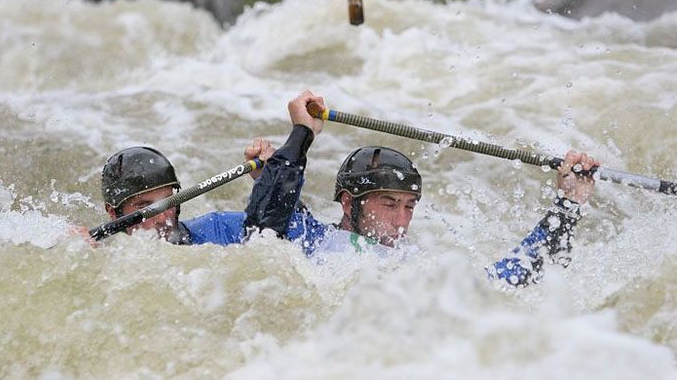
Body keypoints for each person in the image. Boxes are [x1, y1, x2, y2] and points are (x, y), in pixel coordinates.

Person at [244, 91, 599, 287]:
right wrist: (297, 141)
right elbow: (266, 228)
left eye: (409, 206)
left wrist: (569, 204)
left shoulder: (419, 265)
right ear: (348, 203)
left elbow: (507, 281)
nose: (401, 221)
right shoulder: (313, 241)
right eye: (388, 203)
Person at [95, 140, 274, 245]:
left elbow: (287, 229)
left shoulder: (219, 229)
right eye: (145, 206)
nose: (163, 217)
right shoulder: (101, 263)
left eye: (169, 201)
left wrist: (270, 182)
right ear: (113, 213)